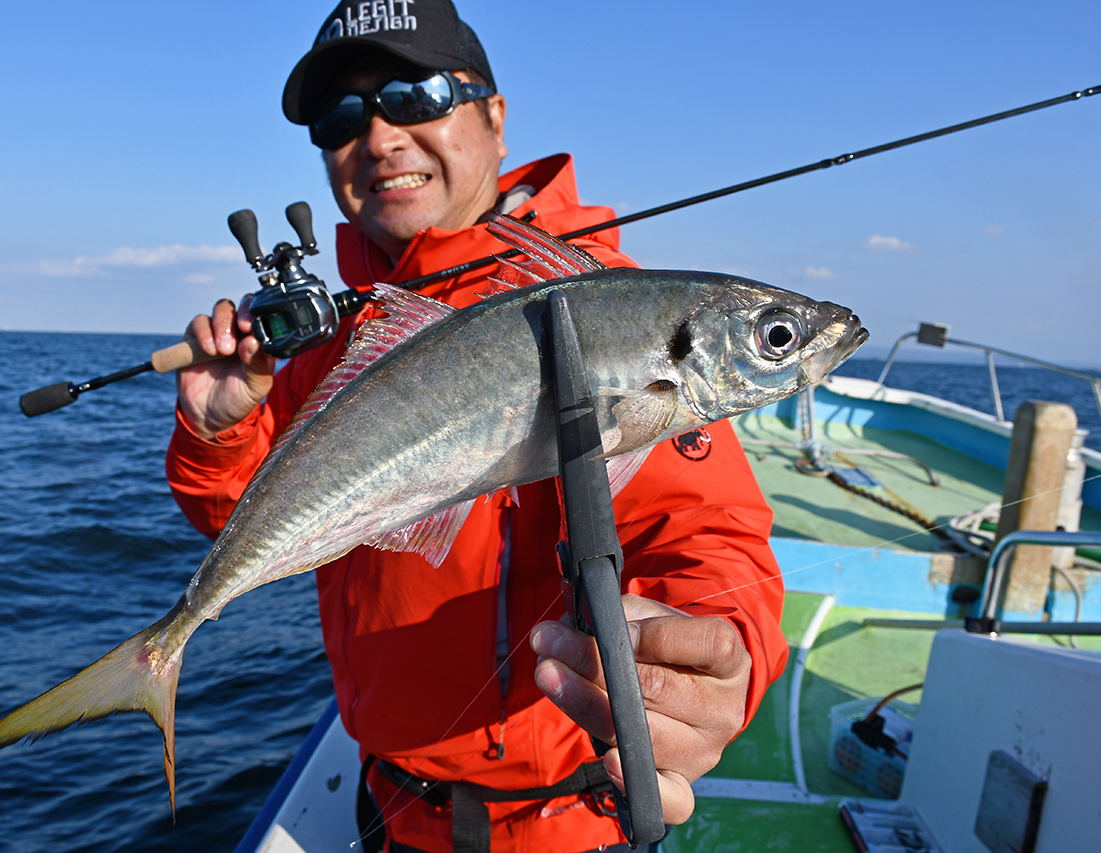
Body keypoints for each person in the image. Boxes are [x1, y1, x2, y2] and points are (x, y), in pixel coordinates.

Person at [166, 2, 789, 851]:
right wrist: (219, 435)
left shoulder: (623, 313)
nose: (379, 136)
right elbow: (266, 528)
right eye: (341, 117)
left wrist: (720, 663)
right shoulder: (334, 341)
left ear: (495, 118)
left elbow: (705, 536)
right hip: (385, 808)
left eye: (414, 95)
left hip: (564, 825)